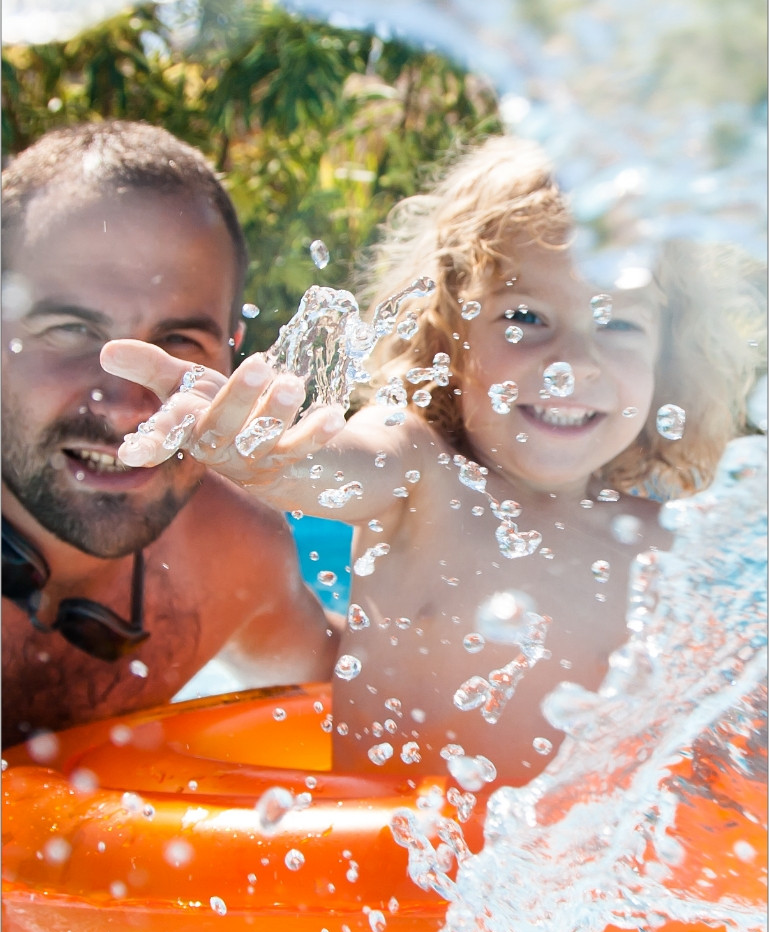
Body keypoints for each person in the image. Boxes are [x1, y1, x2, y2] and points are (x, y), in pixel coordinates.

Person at [103, 135, 763, 786]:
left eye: (617, 324)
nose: (570, 363)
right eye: (525, 316)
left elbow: (709, 740)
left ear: (665, 359)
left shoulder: (663, 547)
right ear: (451, 330)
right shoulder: (422, 469)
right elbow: (339, 465)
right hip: (387, 871)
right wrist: (266, 455)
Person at [2, 120, 338, 752]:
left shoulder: (230, 554)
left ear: (230, 357)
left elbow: (366, 697)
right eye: (71, 330)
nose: (128, 407)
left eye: (178, 343)